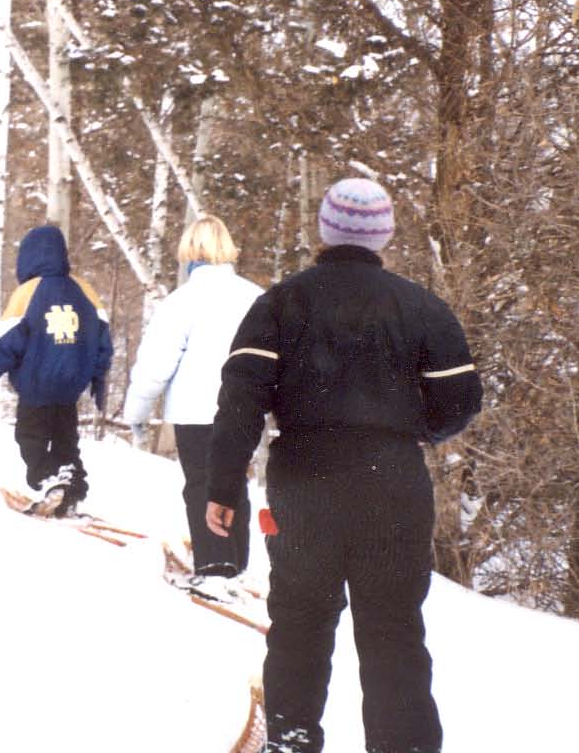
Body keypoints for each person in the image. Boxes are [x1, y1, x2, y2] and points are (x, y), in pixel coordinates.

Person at [205, 177, 482, 753]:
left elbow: (240, 402)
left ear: (323, 232)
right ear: (384, 236)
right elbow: (461, 401)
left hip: (304, 484)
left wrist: (222, 489)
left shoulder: (281, 303)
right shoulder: (420, 306)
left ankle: (292, 739)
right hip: (394, 485)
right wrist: (408, 432)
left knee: (301, 624)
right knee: (394, 630)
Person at [122, 214, 263, 593]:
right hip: (244, 410)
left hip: (195, 411)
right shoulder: (255, 297)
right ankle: (237, 561)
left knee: (202, 482)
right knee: (234, 482)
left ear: (189, 253)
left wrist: (135, 413)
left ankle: (216, 565)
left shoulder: (180, 302)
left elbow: (155, 365)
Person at [0, 223, 112, 516]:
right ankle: (71, 487)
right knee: (65, 439)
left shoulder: (27, 293)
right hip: (70, 386)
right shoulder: (85, 290)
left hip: (37, 385)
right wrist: (98, 378)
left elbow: (6, 342)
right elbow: (102, 340)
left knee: (30, 439)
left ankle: (51, 480)